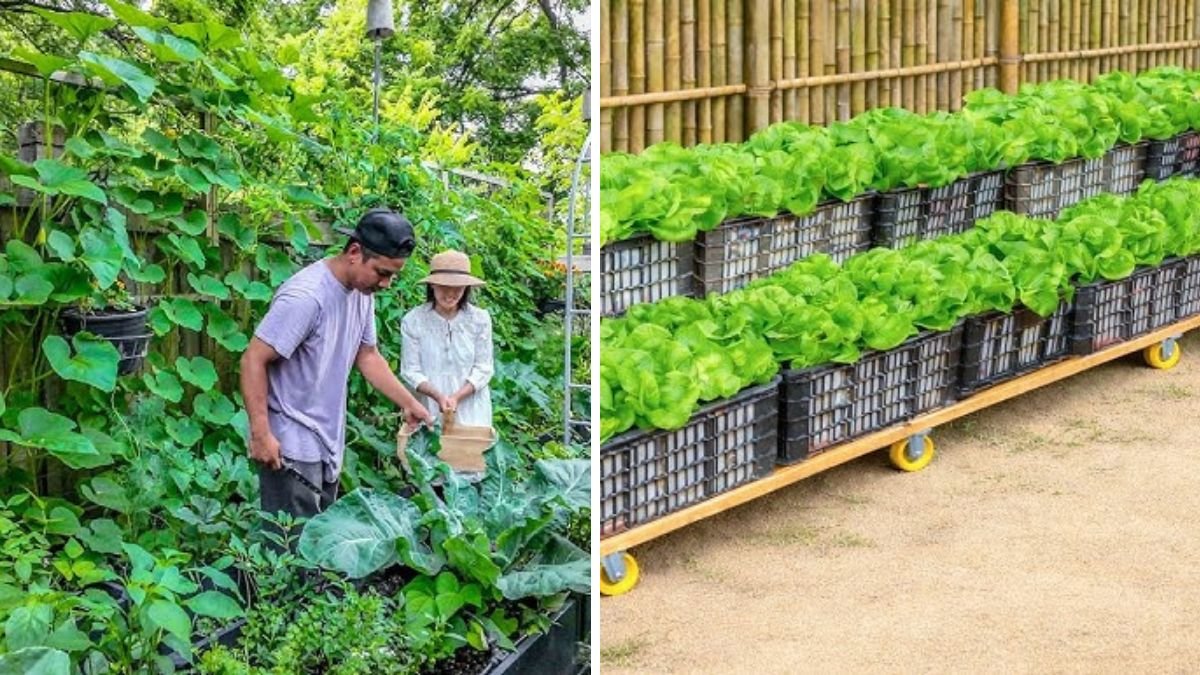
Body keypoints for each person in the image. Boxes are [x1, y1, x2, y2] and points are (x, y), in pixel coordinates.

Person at [241, 208, 434, 521]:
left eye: (393, 275)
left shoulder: (361, 291)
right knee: (291, 552)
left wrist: (409, 402)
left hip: (328, 438)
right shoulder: (307, 297)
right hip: (292, 441)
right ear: (355, 252)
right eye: (383, 273)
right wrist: (261, 433)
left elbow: (367, 355)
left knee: (318, 546)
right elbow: (253, 359)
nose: (386, 283)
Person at [400, 250, 494, 434]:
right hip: (427, 408)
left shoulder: (480, 319)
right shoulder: (413, 320)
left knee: (470, 457)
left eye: (457, 288)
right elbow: (410, 370)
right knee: (428, 457)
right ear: (432, 286)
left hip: (472, 410)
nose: (450, 294)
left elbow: (484, 367)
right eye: (443, 287)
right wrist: (438, 396)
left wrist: (457, 397)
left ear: (466, 289)